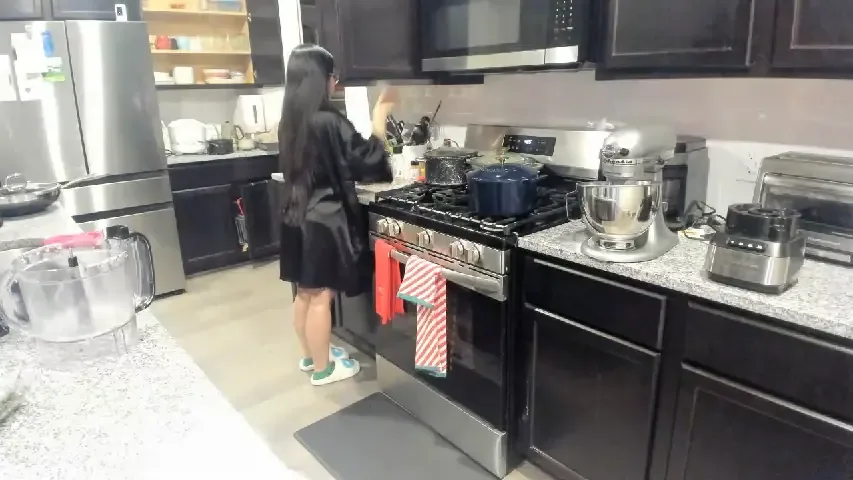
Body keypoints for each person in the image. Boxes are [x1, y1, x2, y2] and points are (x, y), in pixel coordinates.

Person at [277, 44, 396, 386]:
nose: (335, 82)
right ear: (322, 79)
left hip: (296, 214)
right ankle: (324, 370)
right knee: (321, 298)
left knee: (305, 292)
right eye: (333, 76)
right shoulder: (328, 120)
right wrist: (380, 115)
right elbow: (367, 160)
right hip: (323, 220)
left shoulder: (291, 119)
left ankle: (311, 356)